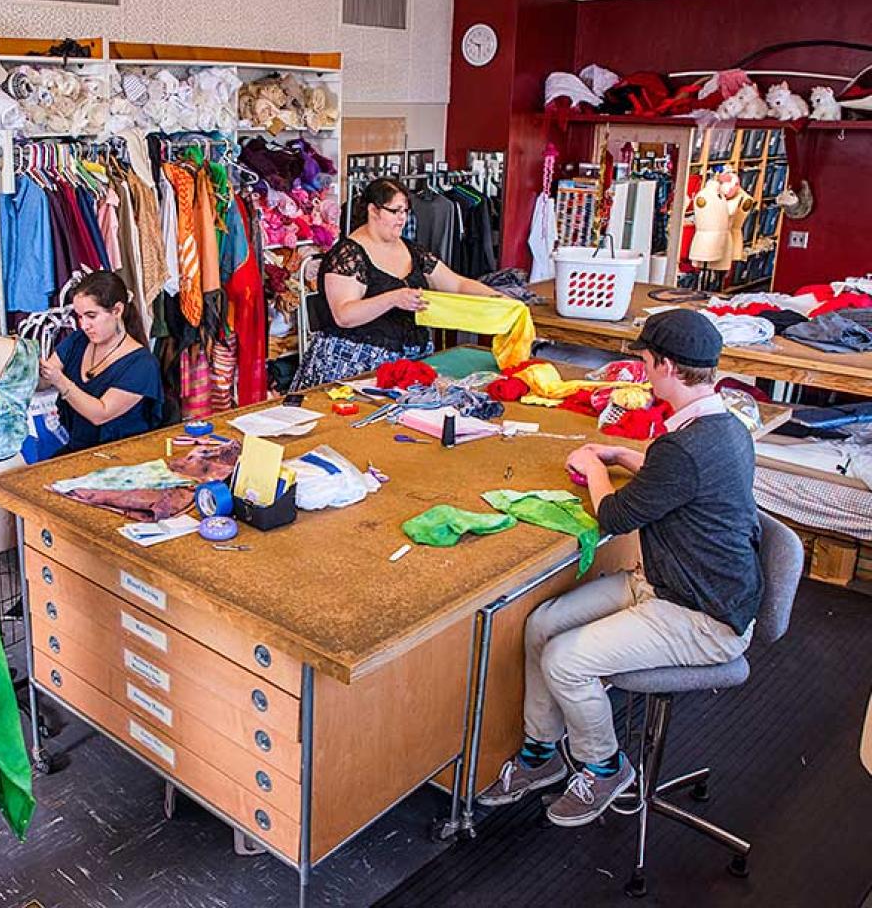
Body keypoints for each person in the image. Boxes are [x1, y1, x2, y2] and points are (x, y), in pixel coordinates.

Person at [479, 308, 764, 827]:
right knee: (542, 622)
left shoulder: (684, 449)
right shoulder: (725, 426)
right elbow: (680, 480)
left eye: (647, 360)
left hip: (703, 614)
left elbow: (614, 515)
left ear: (667, 367)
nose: (643, 369)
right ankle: (542, 752)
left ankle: (605, 767)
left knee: (565, 659)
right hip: (672, 581)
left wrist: (592, 469)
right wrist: (622, 457)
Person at [291, 177, 500, 389]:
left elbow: (456, 284)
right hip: (355, 365)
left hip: (409, 363)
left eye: (406, 211)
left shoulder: (412, 250)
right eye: (395, 211)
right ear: (373, 211)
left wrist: (497, 298)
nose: (402, 218)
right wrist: (393, 298)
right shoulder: (347, 255)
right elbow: (344, 315)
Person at [39, 271, 164, 453]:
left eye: (91, 316)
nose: (84, 325)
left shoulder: (142, 365)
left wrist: (61, 381)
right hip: (78, 453)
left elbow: (100, 414)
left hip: (122, 459)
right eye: (80, 317)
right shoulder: (77, 341)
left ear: (117, 311)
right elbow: (44, 380)